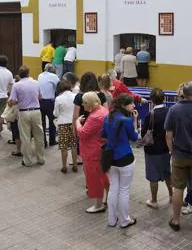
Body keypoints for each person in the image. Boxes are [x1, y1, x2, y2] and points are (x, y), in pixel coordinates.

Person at [164, 81, 192, 232]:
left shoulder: (173, 110)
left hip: (179, 155)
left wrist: (172, 151)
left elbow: (168, 136)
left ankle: (176, 220)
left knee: (178, 189)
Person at [102, 94, 139, 228]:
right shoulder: (126, 121)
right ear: (124, 105)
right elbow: (134, 138)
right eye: (131, 104)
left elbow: (103, 136)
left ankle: (112, 220)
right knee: (124, 190)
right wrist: (135, 121)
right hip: (125, 158)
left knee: (113, 189)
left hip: (111, 158)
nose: (134, 106)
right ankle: (125, 220)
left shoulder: (107, 118)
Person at [73, 92, 109, 213]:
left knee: (94, 179)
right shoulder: (103, 110)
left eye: (84, 103)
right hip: (100, 149)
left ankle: (98, 205)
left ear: (88, 104)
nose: (82, 105)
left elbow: (82, 134)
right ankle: (108, 197)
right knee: (103, 176)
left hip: (92, 152)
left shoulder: (94, 117)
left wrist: (77, 122)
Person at [141, 88, 172, 209]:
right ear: (164, 98)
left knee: (153, 176)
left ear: (151, 100)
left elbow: (144, 132)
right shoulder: (169, 111)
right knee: (167, 173)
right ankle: (171, 194)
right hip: (166, 148)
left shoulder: (150, 114)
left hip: (152, 149)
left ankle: (154, 200)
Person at [8, 66, 44, 167]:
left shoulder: (16, 85)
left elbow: (13, 101)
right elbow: (40, 97)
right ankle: (40, 159)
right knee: (39, 136)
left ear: (19, 75)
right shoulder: (36, 83)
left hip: (23, 112)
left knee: (25, 137)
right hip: (36, 111)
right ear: (28, 73)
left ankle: (27, 161)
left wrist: (12, 101)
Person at [53, 80, 77, 173]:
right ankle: (75, 165)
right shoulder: (75, 96)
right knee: (74, 145)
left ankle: (64, 166)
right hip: (73, 123)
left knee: (64, 146)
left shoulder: (58, 98)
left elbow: (56, 113)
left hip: (63, 123)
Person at [38, 64, 60, 147]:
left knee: (42, 122)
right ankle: (52, 140)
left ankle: (43, 142)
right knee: (52, 121)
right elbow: (59, 87)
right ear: (53, 70)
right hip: (50, 102)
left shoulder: (40, 75)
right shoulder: (54, 76)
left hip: (40, 101)